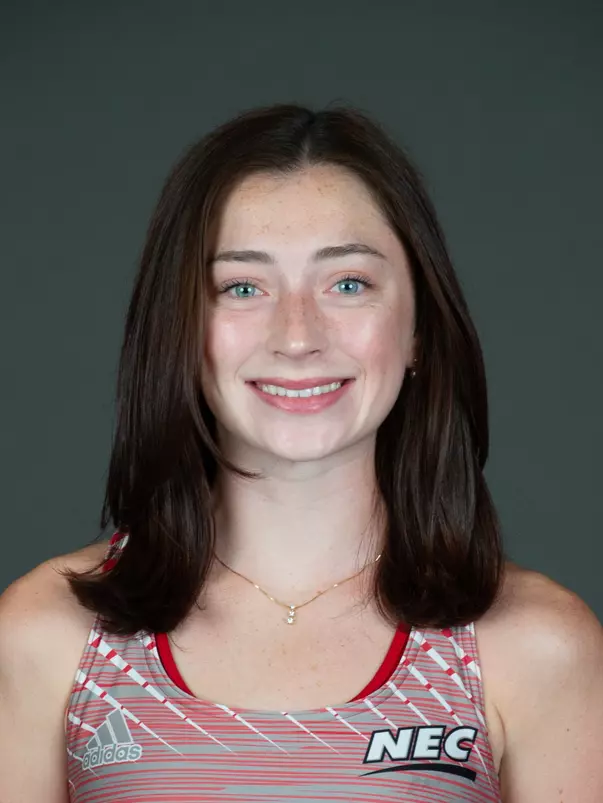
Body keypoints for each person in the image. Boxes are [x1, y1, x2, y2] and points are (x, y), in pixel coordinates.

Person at [1, 102, 602, 803]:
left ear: (419, 330)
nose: (296, 336)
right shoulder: (47, 633)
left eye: (348, 283)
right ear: (181, 331)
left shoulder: (538, 644)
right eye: (242, 287)